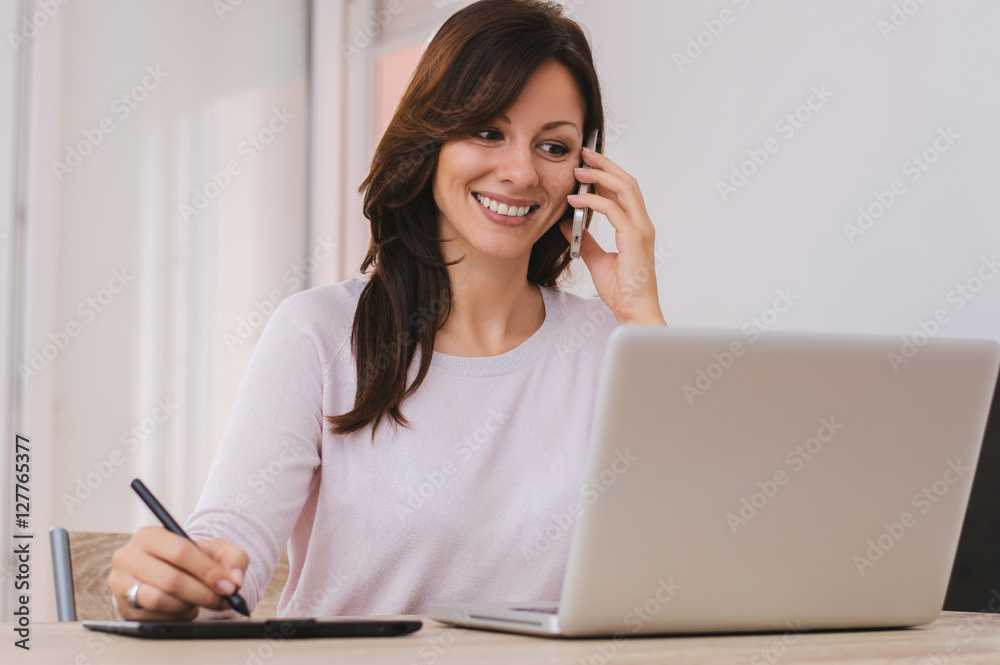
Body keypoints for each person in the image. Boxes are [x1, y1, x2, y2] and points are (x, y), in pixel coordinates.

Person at [108, 0, 665, 621]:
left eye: (554, 147)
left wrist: (640, 316)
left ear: (585, 174)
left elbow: (686, 559)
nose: (519, 172)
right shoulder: (318, 335)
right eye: (488, 132)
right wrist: (169, 584)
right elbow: (226, 549)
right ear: (431, 139)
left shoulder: (613, 349)